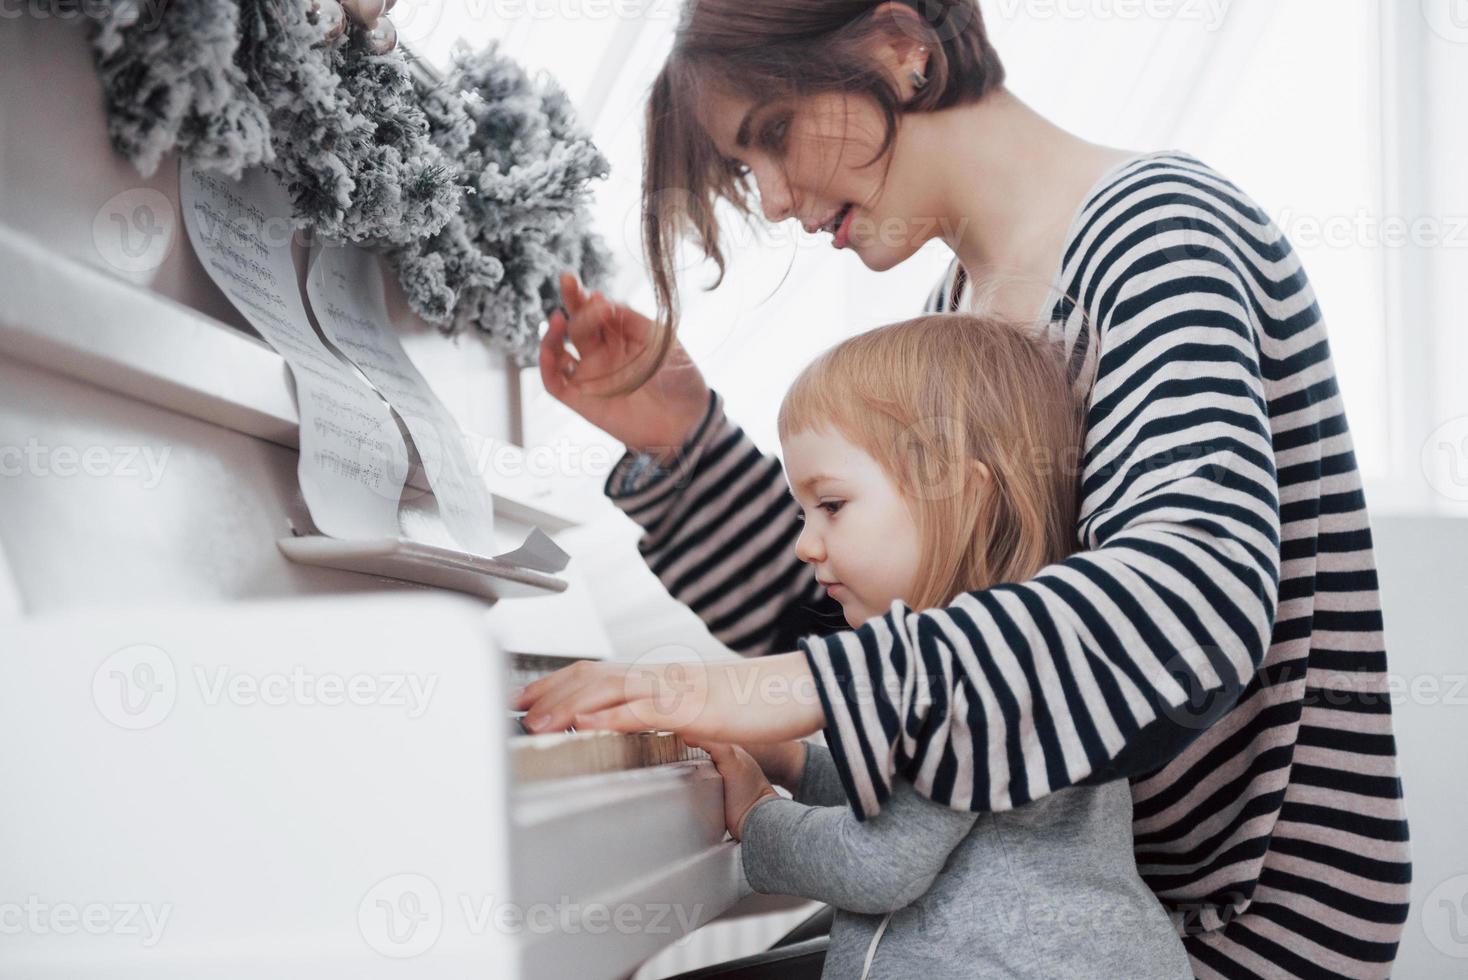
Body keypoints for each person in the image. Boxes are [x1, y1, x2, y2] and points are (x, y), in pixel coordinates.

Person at [512, 2, 1412, 975]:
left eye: (772, 135)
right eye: (744, 167)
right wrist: (686, 443)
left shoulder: (1158, 235)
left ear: (900, 46)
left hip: (1220, 930)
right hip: (1037, 895)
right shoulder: (962, 308)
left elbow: (1187, 603)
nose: (771, 199)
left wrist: (725, 688)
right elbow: (899, 668)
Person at [689, 312, 1193, 980]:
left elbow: (877, 865)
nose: (804, 545)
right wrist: (790, 760)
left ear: (961, 497)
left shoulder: (977, 677)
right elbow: (912, 789)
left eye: (831, 506)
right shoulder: (999, 650)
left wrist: (758, 821)